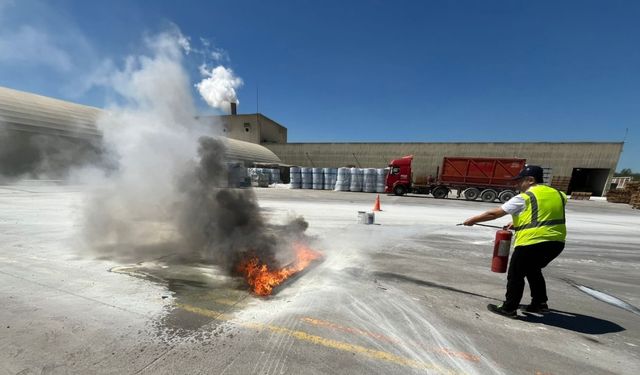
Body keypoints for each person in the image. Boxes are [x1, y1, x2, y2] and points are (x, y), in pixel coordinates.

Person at [462, 165, 567, 318]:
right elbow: (545, 212)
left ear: (530, 180)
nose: (516, 184)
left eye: (519, 181)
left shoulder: (524, 197)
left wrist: (473, 220)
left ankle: (509, 308)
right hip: (556, 243)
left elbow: (494, 214)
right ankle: (540, 303)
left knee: (516, 274)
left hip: (532, 242)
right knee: (533, 270)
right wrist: (517, 223)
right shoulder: (559, 194)